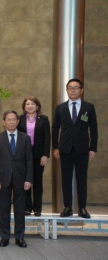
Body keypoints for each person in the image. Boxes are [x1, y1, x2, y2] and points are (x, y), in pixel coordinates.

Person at [52, 78, 98, 219]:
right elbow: (55, 129)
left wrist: (93, 148)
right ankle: (67, 207)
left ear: (81, 90)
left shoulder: (88, 107)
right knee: (66, 178)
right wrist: (55, 147)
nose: (73, 90)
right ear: (67, 90)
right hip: (65, 149)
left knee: (81, 179)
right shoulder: (60, 108)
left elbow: (94, 129)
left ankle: (82, 208)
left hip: (82, 149)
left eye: (76, 87)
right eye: (70, 88)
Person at [0, 110, 33, 248]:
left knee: (20, 209)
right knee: (4, 209)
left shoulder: (25, 138)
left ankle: (19, 237)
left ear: (18, 121)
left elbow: (29, 161)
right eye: (8, 119)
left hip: (21, 178)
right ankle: (4, 237)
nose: (11, 122)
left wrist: (29, 179)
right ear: (4, 122)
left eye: (13, 119)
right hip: (3, 178)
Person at [17, 96, 50, 217]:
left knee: (37, 181)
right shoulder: (19, 119)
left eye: (32, 104)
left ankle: (37, 208)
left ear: (37, 106)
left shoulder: (44, 119)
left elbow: (47, 138)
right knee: (25, 181)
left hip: (38, 154)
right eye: (27, 104)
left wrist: (45, 155)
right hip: (23, 154)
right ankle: (26, 207)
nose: (30, 106)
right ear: (24, 107)